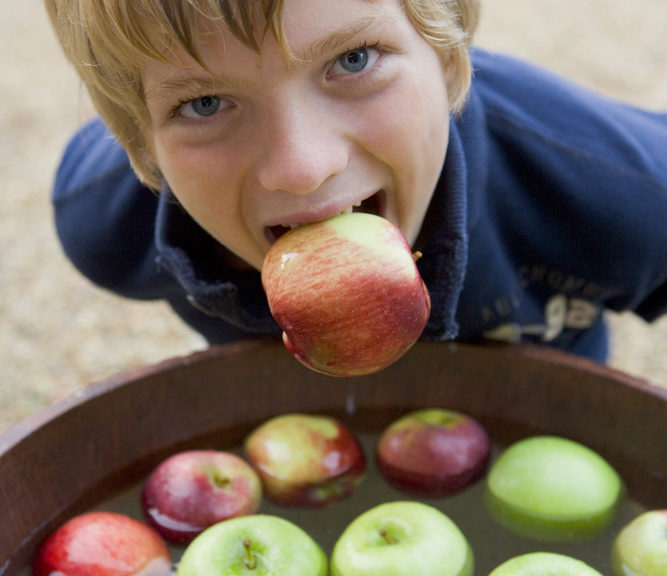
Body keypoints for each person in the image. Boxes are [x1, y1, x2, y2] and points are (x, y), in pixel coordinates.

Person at [45, 0, 667, 365]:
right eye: (206, 103)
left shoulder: (613, 192)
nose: (303, 168)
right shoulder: (107, 227)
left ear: (448, 56)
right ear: (142, 148)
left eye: (354, 60)